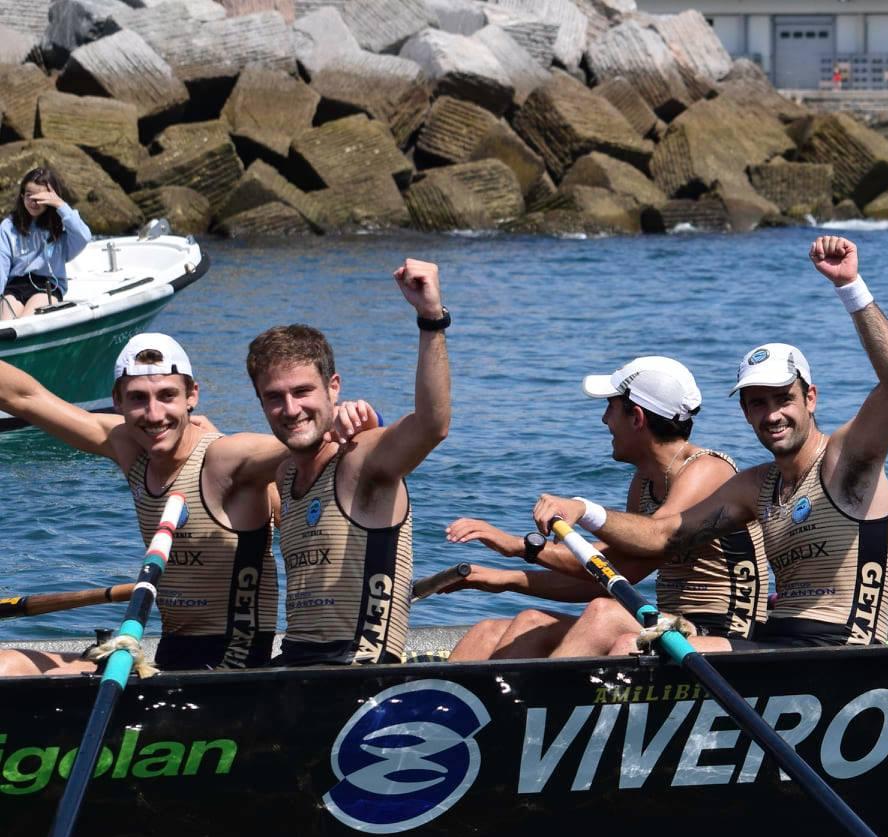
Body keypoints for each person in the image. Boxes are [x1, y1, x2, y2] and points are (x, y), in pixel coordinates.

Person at [532, 235, 888, 651]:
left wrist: (850, 286)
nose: (772, 415)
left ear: (810, 398)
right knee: (624, 637)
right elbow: (663, 536)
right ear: (746, 413)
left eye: (783, 399)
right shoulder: (755, 487)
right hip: (771, 643)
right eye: (756, 404)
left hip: (839, 654)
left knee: (635, 646)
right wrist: (583, 511)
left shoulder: (845, 461)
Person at [0, 334, 375, 676]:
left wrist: (348, 422)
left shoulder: (227, 457)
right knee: (8, 663)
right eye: (138, 399)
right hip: (171, 653)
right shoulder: (126, 447)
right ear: (117, 402)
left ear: (191, 396)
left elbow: (305, 440)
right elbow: (24, 398)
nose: (154, 414)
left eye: (167, 396)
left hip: (233, 666)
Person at [442, 356, 767, 659]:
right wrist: (507, 579)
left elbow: (656, 537)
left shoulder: (707, 471)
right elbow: (611, 573)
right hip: (675, 624)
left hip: (724, 632)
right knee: (505, 627)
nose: (604, 419)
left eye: (610, 408)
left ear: (636, 417)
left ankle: (538, 707)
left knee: (604, 615)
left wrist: (521, 546)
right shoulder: (645, 482)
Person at [250, 259, 451, 665]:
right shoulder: (284, 474)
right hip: (293, 661)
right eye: (275, 397)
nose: (290, 409)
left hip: (358, 671)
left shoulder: (361, 459)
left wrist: (430, 319)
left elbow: (432, 426)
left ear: (333, 388)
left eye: (303, 391)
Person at [0, 168, 92, 319]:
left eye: (40, 198)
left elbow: (84, 236)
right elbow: (1, 266)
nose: (33, 202)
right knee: (5, 325)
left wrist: (60, 205)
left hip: (47, 286)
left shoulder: (61, 226)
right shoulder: (8, 226)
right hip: (15, 286)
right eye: (29, 196)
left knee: (26, 323)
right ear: (22, 195)